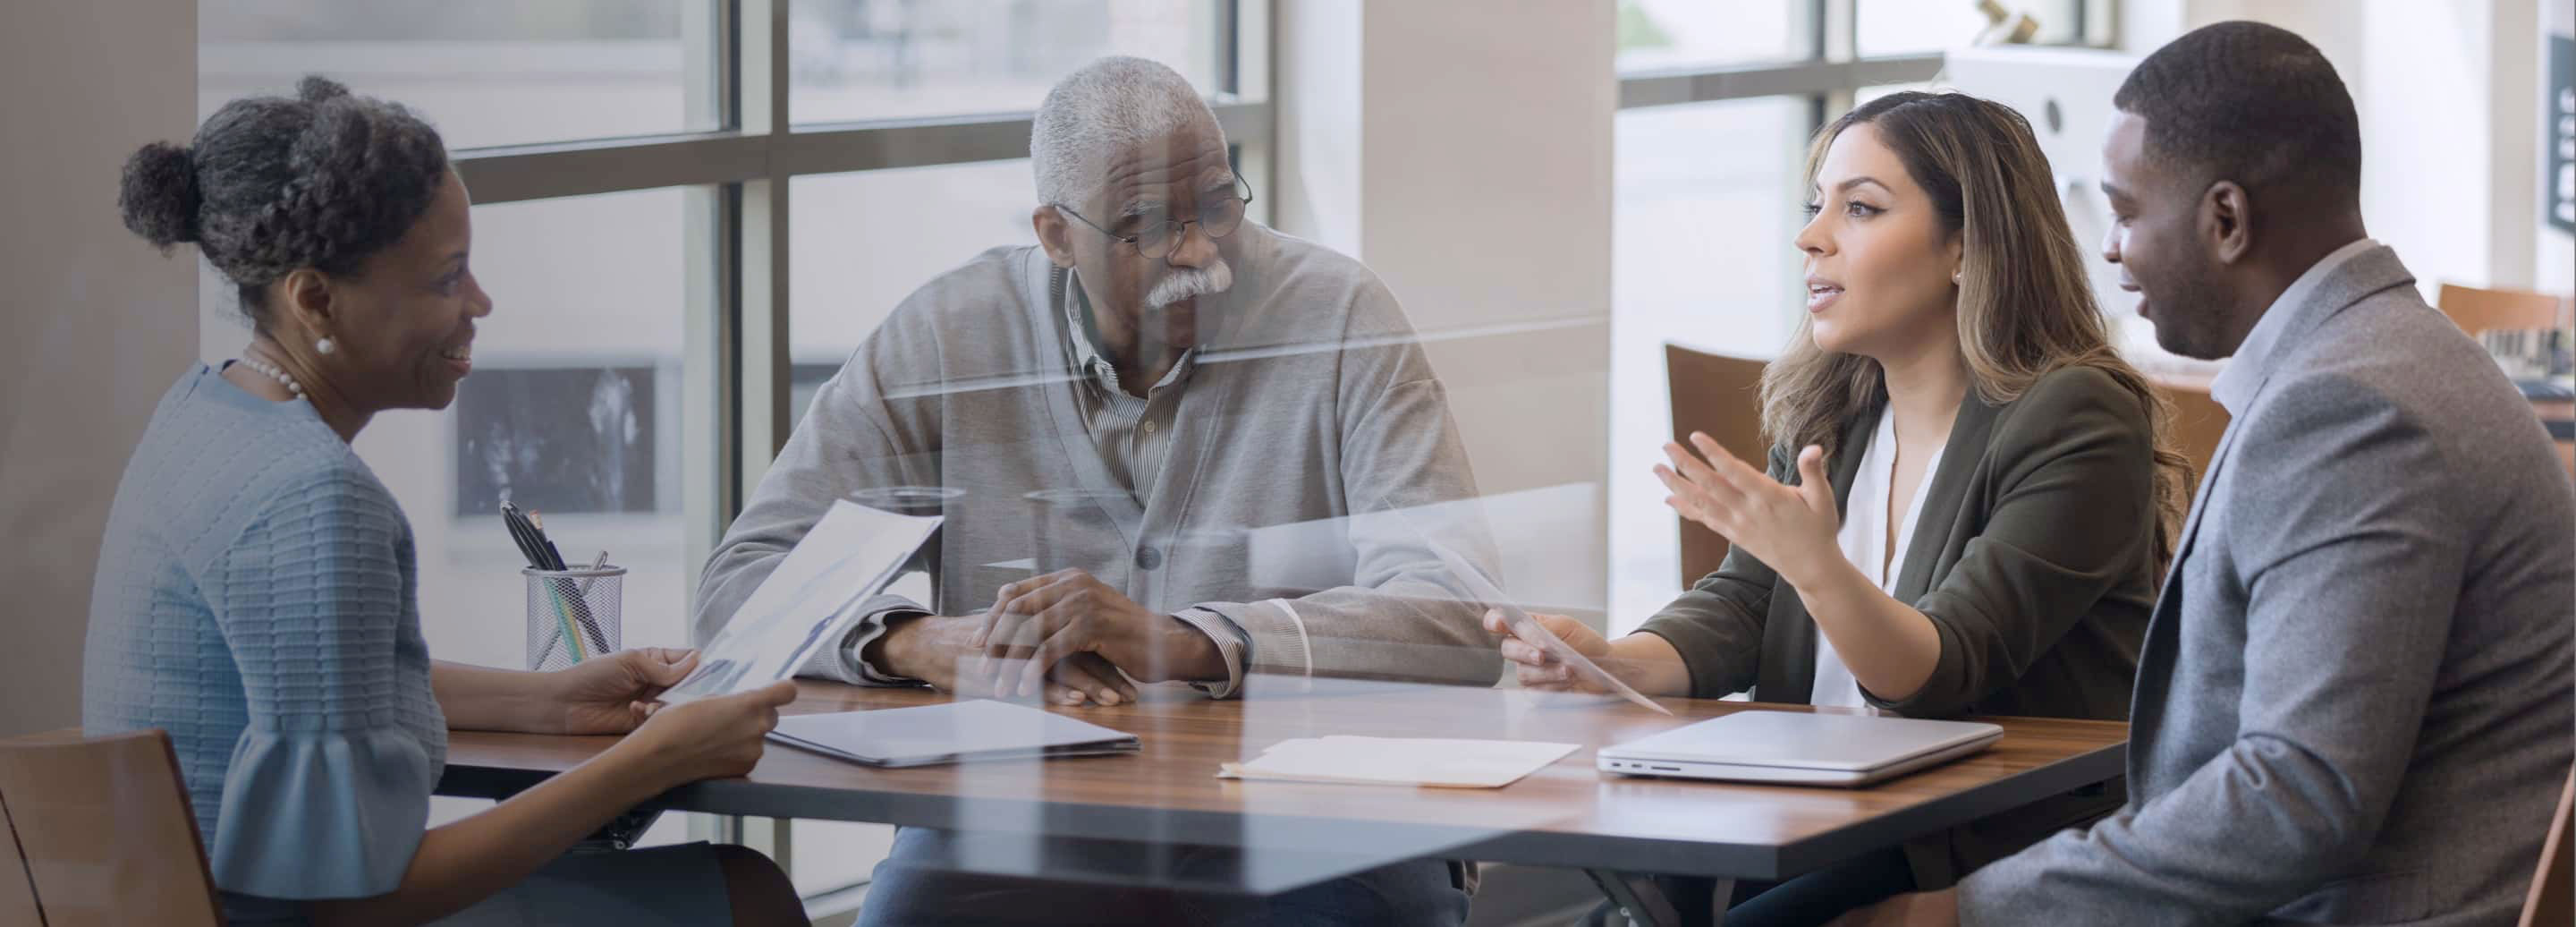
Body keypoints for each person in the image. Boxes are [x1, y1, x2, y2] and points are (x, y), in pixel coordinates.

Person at [693, 56, 1495, 924]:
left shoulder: (1338, 313)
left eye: (1218, 206)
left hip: (1318, 820)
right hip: (1023, 814)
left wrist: (1189, 640)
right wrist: (927, 644)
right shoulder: (949, 332)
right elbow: (745, 581)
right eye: (1147, 226)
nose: (1199, 253)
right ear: (1054, 233)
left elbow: (1457, 609)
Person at [1835, 22, 2576, 927]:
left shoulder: (2351, 408)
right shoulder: (2379, 362)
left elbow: (2298, 796)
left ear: (2225, 220)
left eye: (2127, 211)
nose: (2110, 249)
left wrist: (1962, 912)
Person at [83, 76, 807, 927]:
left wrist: (554, 701)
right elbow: (358, 904)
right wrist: (649, 761)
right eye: (446, 279)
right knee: (746, 892)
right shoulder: (316, 499)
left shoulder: (204, 416)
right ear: (314, 297)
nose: (481, 304)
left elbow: (318, 685)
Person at [1493, 90, 2192, 925]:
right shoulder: (1836, 405)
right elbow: (1750, 600)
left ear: (1967, 247)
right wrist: (1616, 662)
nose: (1810, 237)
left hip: (1983, 845)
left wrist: (1816, 565)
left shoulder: (2075, 415)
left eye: (1859, 208)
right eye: (1814, 206)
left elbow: (1941, 670)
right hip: (1816, 818)